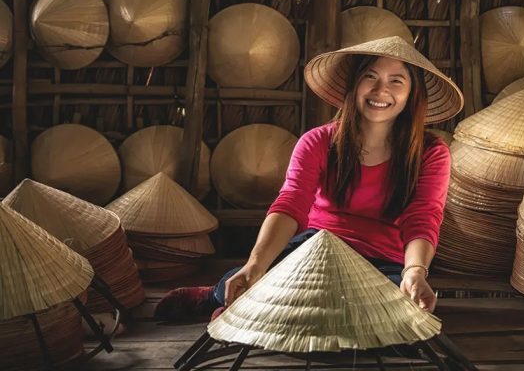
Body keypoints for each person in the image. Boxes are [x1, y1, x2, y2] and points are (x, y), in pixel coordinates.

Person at [154, 36, 464, 321]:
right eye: (370, 77)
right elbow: (291, 203)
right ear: (354, 86)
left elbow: (424, 217)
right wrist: (255, 265)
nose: (381, 90)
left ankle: (250, 313)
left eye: (396, 81)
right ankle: (217, 297)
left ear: (412, 94)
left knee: (379, 314)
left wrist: (414, 271)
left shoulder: (431, 152)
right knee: (259, 275)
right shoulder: (317, 141)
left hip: (383, 262)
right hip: (312, 250)